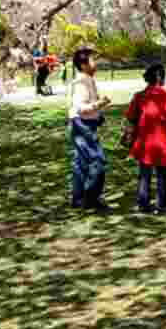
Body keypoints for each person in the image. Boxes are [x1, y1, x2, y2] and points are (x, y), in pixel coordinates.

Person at [125, 64, 166, 214]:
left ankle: (143, 203)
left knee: (144, 173)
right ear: (159, 78)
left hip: (144, 141)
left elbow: (131, 117)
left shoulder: (139, 96)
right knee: (162, 174)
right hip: (162, 142)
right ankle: (162, 205)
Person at [68, 47, 112, 212]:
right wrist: (101, 103)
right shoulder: (82, 82)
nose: (96, 63)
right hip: (82, 125)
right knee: (98, 161)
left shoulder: (87, 79)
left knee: (80, 163)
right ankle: (91, 198)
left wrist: (98, 116)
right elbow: (81, 108)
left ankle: (78, 198)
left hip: (83, 124)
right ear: (83, 64)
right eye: (93, 60)